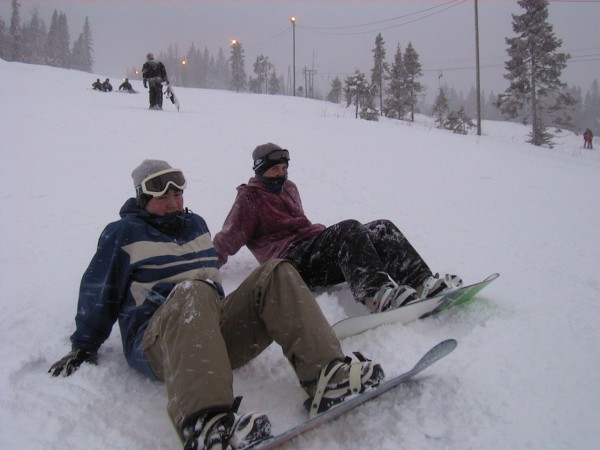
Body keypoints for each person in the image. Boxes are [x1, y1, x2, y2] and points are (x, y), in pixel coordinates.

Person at [48, 159, 384, 450]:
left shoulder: (196, 225)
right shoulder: (122, 233)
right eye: (161, 195)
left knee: (276, 272)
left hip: (209, 333)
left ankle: (328, 376)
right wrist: (83, 345)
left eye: (177, 193)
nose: (172, 201)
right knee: (192, 291)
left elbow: (213, 281)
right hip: (159, 341)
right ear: (141, 197)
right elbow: (98, 289)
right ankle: (205, 423)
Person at [213, 143, 463, 314]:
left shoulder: (289, 188)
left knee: (382, 228)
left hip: (313, 249)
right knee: (348, 230)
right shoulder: (249, 199)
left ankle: (422, 282)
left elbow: (302, 225)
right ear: (260, 171)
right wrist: (203, 266)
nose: (281, 174)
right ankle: (376, 294)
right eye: (274, 169)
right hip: (290, 264)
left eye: (284, 168)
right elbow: (228, 239)